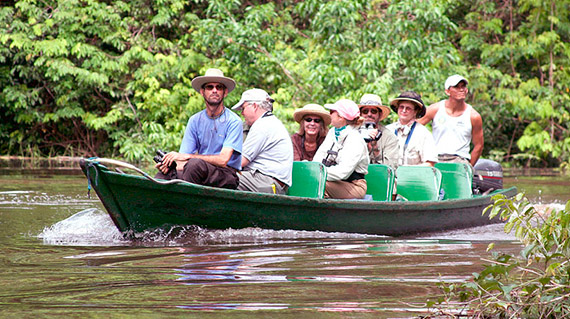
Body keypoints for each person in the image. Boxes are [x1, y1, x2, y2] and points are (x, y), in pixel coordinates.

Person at [154, 68, 243, 189]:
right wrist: (170, 164)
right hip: (199, 170)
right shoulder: (195, 120)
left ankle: (187, 204)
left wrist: (188, 158)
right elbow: (183, 157)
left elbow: (223, 160)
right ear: (202, 92)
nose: (214, 91)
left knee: (194, 164)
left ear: (225, 92)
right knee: (164, 174)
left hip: (225, 174)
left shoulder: (234, 121)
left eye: (219, 87)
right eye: (210, 87)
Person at [232, 88, 293, 194]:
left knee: (221, 176)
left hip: (269, 184)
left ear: (254, 106)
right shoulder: (269, 122)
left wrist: (216, 161)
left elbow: (241, 161)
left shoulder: (263, 125)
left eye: (243, 108)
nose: (242, 113)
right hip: (262, 180)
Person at [418, 74, 484, 166]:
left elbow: (479, 145)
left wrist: (469, 167)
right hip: (435, 158)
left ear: (466, 90)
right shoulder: (435, 109)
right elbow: (415, 127)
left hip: (459, 159)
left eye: (463, 86)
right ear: (447, 91)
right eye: (456, 87)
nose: (461, 90)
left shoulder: (473, 116)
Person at [313, 99, 369, 199]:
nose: (329, 115)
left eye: (331, 112)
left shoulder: (355, 139)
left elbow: (342, 172)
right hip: (333, 180)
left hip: (354, 186)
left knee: (317, 185)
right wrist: (311, 169)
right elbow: (319, 157)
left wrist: (317, 173)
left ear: (341, 117)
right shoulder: (332, 132)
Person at [386, 91, 438, 167]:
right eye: (401, 107)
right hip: (389, 177)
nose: (404, 110)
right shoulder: (388, 130)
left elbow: (430, 163)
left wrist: (408, 171)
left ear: (415, 112)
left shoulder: (423, 133)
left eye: (408, 108)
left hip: (414, 177)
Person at [357, 94, 399, 168]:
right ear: (360, 114)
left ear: (380, 114)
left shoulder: (390, 137)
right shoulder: (353, 132)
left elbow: (390, 169)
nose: (369, 114)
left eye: (373, 111)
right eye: (365, 111)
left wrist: (375, 149)